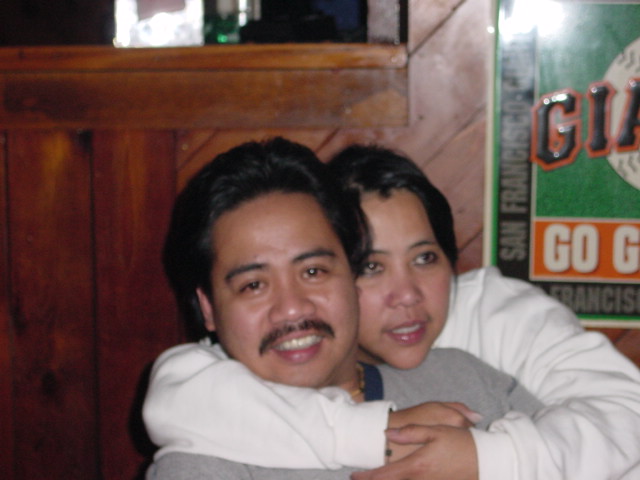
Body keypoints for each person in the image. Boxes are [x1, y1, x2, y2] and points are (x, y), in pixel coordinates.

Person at [143, 137, 542, 479]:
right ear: (208, 309)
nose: (292, 309)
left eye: (313, 271)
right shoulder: (203, 462)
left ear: (352, 272)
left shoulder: (466, 381)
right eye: (254, 286)